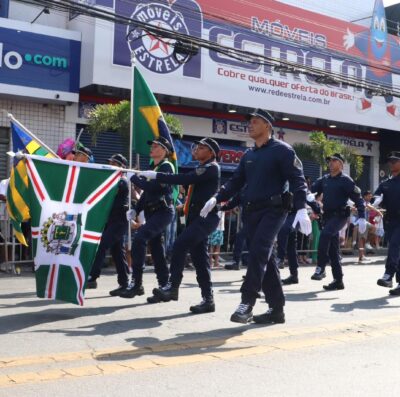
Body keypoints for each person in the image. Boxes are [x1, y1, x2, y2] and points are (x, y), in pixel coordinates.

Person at [200, 109, 310, 324]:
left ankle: (247, 303)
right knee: (265, 259)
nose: (250, 125)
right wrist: (217, 198)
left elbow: (298, 180)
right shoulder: (249, 155)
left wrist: (302, 208)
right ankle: (276, 309)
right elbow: (236, 182)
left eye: (255, 122)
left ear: (268, 126)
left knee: (258, 252)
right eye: (249, 122)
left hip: (274, 210)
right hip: (251, 212)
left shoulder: (283, 150)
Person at [137, 138, 221, 314]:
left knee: (180, 244)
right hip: (195, 217)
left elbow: (185, 178)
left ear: (211, 153)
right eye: (197, 147)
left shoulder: (211, 167)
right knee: (200, 260)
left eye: (202, 148)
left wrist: (157, 175)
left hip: (206, 218)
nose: (197, 150)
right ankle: (208, 300)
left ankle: (172, 286)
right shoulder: (203, 167)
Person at [121, 137, 175, 302]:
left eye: (156, 145)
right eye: (151, 145)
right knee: (157, 250)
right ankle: (164, 286)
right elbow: (146, 194)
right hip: (152, 212)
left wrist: (134, 178)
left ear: (164, 150)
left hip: (163, 211)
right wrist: (136, 209)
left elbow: (154, 187)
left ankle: (137, 283)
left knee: (140, 238)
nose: (152, 147)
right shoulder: (153, 167)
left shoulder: (166, 166)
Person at [309, 153, 366, 290]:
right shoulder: (325, 179)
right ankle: (338, 280)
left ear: (341, 164)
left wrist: (362, 216)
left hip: (340, 216)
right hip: (328, 217)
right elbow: (311, 191)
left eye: (334, 161)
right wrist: (308, 198)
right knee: (334, 250)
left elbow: (358, 199)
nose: (330, 163)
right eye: (329, 161)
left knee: (325, 235)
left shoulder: (346, 180)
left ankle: (321, 267)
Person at [86, 154, 130, 295]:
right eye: (110, 162)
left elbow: (109, 192)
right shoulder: (111, 181)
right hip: (111, 221)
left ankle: (93, 276)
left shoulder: (122, 181)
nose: (110, 165)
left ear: (121, 167)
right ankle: (124, 283)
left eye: (113, 163)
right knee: (117, 253)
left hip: (119, 222)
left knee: (102, 245)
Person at [374, 151, 400, 295]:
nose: (391, 164)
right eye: (390, 161)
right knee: (397, 251)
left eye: (395, 161)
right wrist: (374, 201)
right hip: (390, 221)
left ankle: (388, 274)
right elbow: (375, 197)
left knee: (395, 245)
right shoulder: (386, 184)